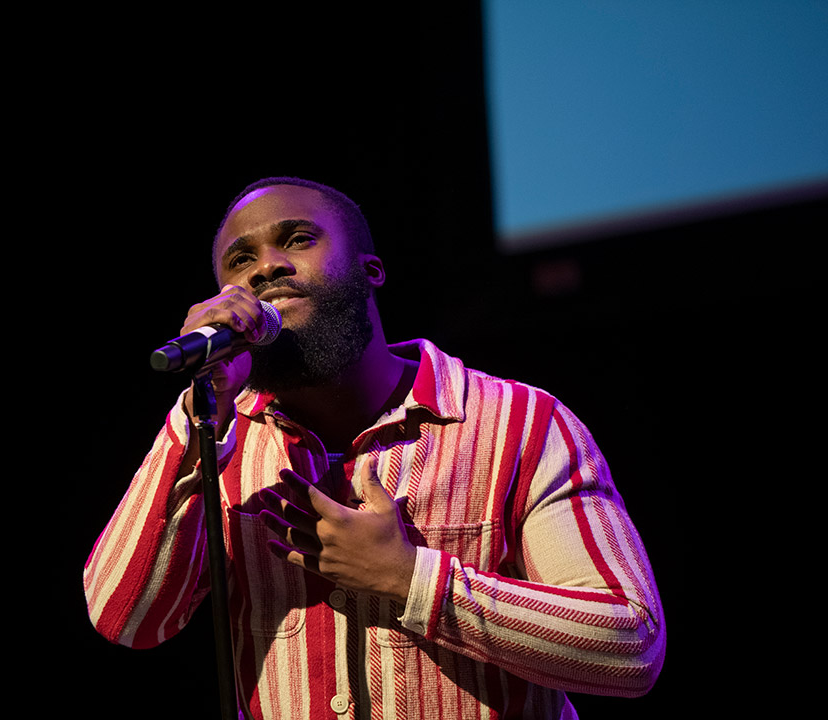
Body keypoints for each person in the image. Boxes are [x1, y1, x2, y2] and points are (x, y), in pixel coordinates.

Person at [84, 177, 665, 719]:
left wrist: (412, 579)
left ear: (371, 269)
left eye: (298, 239)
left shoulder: (521, 423)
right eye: (241, 261)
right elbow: (127, 618)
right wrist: (197, 417)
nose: (266, 268)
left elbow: (630, 644)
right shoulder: (214, 439)